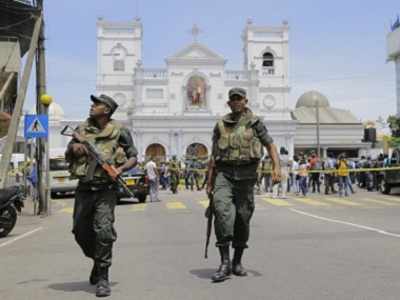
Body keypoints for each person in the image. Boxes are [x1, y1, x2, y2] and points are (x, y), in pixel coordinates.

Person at [65, 94, 137, 297]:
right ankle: (97, 260)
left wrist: (120, 169)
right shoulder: (81, 129)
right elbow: (68, 151)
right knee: (80, 231)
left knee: (103, 231)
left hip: (106, 189)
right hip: (84, 188)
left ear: (106, 110)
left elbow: (134, 156)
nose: (92, 106)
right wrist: (75, 148)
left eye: (96, 104)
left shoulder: (120, 130)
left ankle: (103, 277)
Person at [206, 87, 281, 282]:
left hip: (247, 176)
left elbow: (270, 145)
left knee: (242, 218)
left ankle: (237, 261)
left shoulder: (255, 123)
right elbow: (213, 156)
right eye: (233, 99)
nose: (236, 102)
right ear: (229, 103)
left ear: (245, 101)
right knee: (221, 213)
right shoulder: (221, 125)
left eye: (239, 99)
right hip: (225, 174)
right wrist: (209, 181)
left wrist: (276, 167)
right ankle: (224, 263)